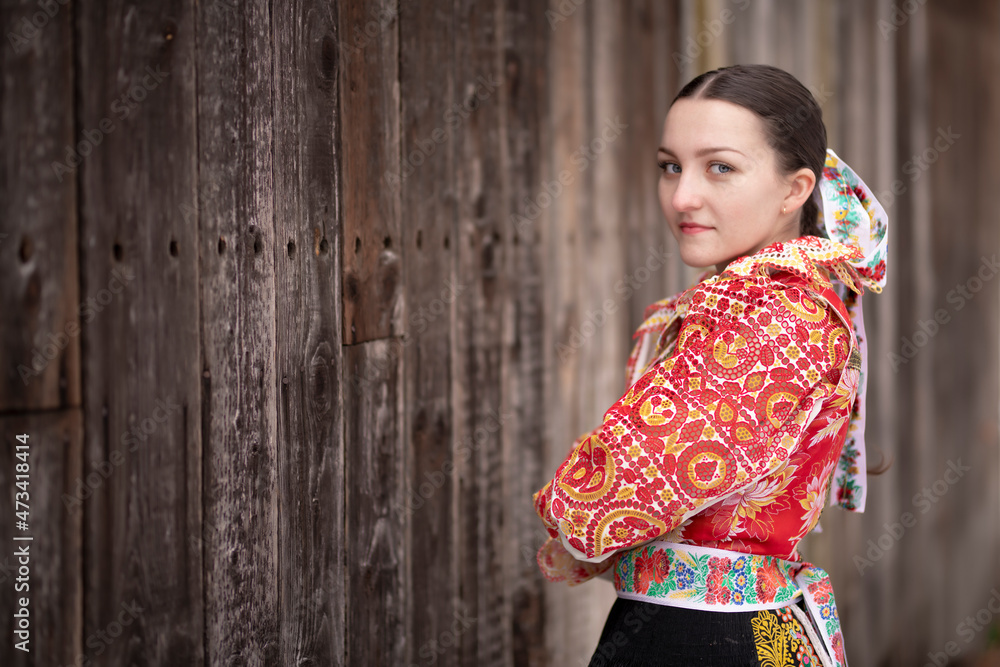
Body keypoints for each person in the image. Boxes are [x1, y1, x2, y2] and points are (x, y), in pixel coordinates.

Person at [532, 64, 888, 666]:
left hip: (705, 639)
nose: (682, 197)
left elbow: (620, 484)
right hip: (747, 628)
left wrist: (566, 511)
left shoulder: (774, 314)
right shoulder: (774, 302)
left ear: (795, 190)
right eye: (671, 165)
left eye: (720, 167)